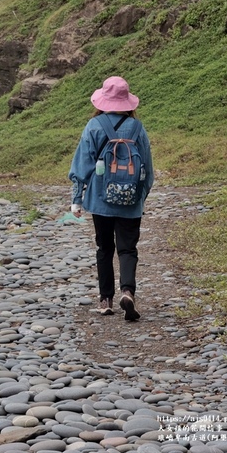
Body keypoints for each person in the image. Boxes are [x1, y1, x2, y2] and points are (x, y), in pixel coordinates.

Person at [68, 76, 154, 320]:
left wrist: (77, 198)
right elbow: (147, 168)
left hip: (100, 199)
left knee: (104, 248)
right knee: (128, 249)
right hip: (131, 202)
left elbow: (82, 164)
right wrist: (139, 197)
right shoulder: (138, 128)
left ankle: (106, 299)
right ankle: (127, 291)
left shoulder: (94, 126)